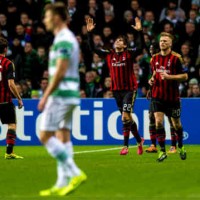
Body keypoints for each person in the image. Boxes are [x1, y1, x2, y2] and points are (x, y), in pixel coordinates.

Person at [37, 2, 87, 196]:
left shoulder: (64, 39)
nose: (45, 20)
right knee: (62, 136)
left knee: (44, 135)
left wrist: (46, 95)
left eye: (47, 16)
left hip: (61, 94)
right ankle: (61, 183)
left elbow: (61, 70)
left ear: (57, 17)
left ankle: (75, 172)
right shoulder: (65, 38)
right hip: (70, 93)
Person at [86, 17, 144, 155]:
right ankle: (139, 140)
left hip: (129, 89)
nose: (117, 42)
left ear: (124, 45)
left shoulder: (128, 53)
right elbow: (93, 49)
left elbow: (141, 47)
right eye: (116, 40)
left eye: (120, 41)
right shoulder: (109, 54)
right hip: (116, 91)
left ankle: (125, 146)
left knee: (125, 117)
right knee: (128, 117)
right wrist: (89, 33)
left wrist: (140, 32)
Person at [149, 32, 188, 162]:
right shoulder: (154, 58)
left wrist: (170, 77)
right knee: (158, 121)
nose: (162, 43)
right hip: (157, 96)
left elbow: (184, 76)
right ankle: (162, 151)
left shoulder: (176, 58)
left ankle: (181, 146)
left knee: (176, 124)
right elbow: (154, 74)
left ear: (170, 43)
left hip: (172, 98)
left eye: (165, 41)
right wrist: (151, 81)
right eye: (161, 41)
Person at [146, 44, 178, 154]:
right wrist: (150, 89)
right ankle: (153, 145)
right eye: (150, 49)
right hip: (155, 94)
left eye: (152, 49)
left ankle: (173, 145)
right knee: (151, 117)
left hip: (169, 94)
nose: (151, 51)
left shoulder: (171, 59)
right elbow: (153, 77)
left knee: (170, 120)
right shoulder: (153, 61)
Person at [0, 36, 23, 159]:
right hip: (4, 100)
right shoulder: (8, 64)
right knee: (11, 124)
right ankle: (9, 153)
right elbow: (10, 84)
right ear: (5, 49)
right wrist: (19, 97)